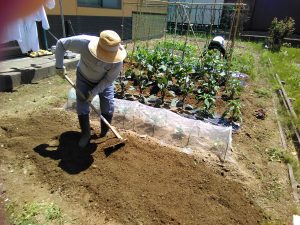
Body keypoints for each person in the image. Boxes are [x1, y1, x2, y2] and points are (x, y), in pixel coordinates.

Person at [55, 30, 127, 148]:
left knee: (108, 105)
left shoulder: (117, 62)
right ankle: (86, 134)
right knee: (82, 104)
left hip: (104, 82)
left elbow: (108, 80)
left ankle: (104, 132)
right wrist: (59, 66)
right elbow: (61, 44)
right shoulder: (84, 43)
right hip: (84, 78)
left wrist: (93, 92)